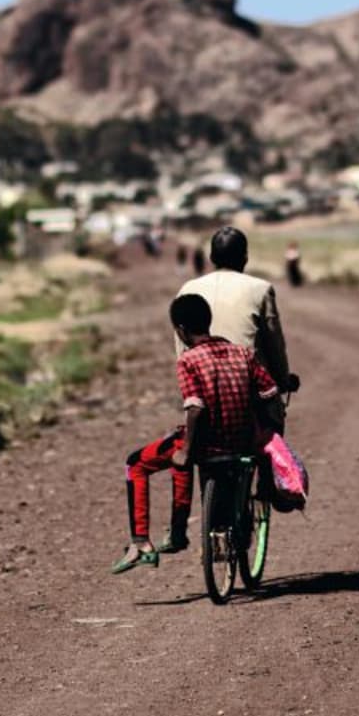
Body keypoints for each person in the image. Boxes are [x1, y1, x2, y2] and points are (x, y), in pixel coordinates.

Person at [112, 294, 281, 574]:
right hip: (243, 442)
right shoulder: (243, 353)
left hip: (209, 445)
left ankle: (141, 542)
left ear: (180, 329)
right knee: (180, 454)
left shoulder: (188, 360)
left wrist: (188, 450)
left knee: (137, 463)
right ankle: (177, 532)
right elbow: (270, 392)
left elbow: (196, 409)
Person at [177, 226, 292, 393]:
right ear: (245, 258)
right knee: (271, 416)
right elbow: (274, 344)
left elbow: (182, 346)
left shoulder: (187, 289)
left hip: (205, 386)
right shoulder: (260, 289)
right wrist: (283, 380)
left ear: (211, 258)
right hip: (250, 386)